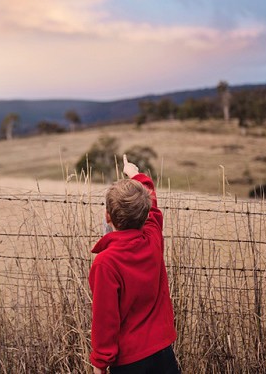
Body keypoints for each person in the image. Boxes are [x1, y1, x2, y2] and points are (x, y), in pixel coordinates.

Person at [89, 155, 179, 373]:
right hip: (163, 353)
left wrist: (100, 363)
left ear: (107, 217)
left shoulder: (106, 263)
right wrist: (135, 174)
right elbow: (152, 205)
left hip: (129, 362)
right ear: (146, 213)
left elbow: (105, 320)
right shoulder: (152, 238)